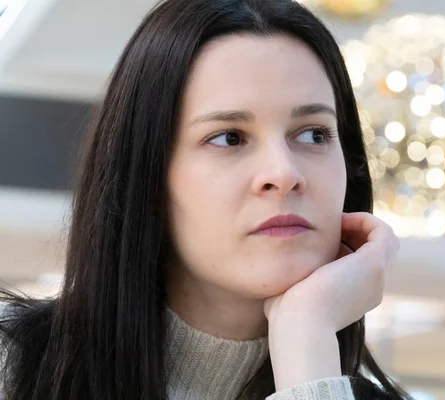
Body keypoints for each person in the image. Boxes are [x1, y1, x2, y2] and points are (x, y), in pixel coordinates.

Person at [0, 0, 411, 399]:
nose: (284, 174)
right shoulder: (13, 365)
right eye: (229, 137)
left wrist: (307, 339)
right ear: (148, 173)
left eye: (313, 134)